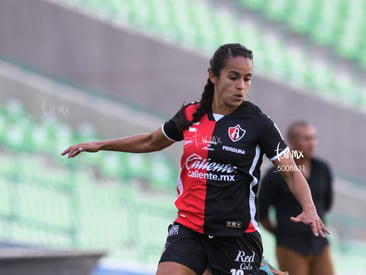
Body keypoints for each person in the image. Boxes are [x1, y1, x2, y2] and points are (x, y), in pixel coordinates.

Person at [62, 43, 329, 275]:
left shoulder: (259, 123)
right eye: (233, 77)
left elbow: (291, 172)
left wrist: (309, 207)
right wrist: (101, 144)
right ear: (213, 76)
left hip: (236, 237)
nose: (241, 86)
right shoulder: (191, 114)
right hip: (189, 229)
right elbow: (151, 141)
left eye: (247, 79)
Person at [258, 121, 334, 275]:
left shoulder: (322, 168)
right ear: (292, 142)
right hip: (290, 246)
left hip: (320, 244)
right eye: (306, 139)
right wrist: (281, 232)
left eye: (313, 138)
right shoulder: (275, 173)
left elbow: (326, 204)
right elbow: (261, 211)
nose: (312, 143)